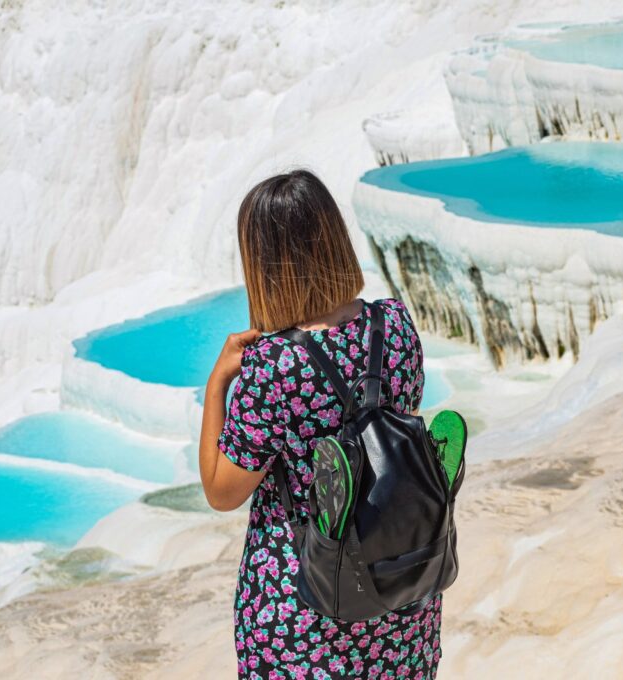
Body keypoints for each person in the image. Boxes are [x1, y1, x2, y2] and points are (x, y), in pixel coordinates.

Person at [198, 169, 442, 679]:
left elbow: (223, 491)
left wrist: (216, 386)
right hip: (401, 600)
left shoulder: (273, 368)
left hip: (308, 623)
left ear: (264, 265)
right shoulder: (393, 324)